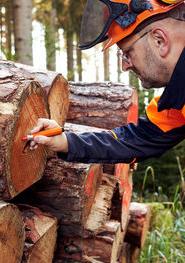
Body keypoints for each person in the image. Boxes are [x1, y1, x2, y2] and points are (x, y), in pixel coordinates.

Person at [29, 0, 185, 164]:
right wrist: (65, 142)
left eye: (127, 53)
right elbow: (140, 138)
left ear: (159, 40)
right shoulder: (177, 101)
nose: (125, 66)